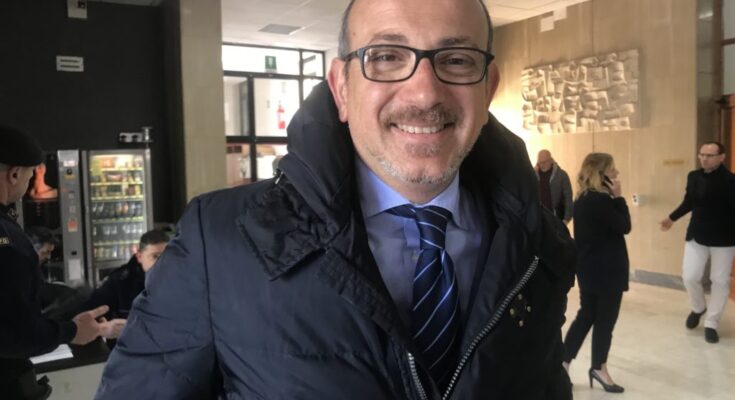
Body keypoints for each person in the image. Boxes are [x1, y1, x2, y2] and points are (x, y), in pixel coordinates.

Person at [96, 1, 575, 399]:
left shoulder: (539, 243)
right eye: (386, 56)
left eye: (456, 59)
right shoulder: (217, 241)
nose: (424, 92)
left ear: (488, 89)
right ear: (342, 88)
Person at [0, 125, 116, 399]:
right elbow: (17, 334)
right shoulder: (8, 241)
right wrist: (73, 330)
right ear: (14, 174)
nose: (30, 183)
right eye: (30, 176)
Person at [562, 153, 630, 394]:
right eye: (612, 170)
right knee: (604, 321)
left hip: (590, 268)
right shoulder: (602, 201)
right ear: (601, 174)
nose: (616, 173)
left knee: (586, 315)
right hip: (607, 270)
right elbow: (625, 226)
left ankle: (563, 364)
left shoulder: (583, 198)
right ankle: (599, 368)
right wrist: (619, 198)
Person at [660, 141, 735, 344]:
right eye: (701, 155)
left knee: (720, 280)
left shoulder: (731, 181)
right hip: (697, 234)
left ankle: (712, 323)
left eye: (709, 155)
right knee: (690, 276)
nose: (704, 159)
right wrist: (671, 218)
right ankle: (698, 307)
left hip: (724, 238)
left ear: (722, 157)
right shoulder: (693, 176)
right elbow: (689, 202)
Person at [81, 229, 169, 341]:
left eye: (167, 256)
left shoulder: (183, 280)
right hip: (129, 347)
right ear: (139, 256)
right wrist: (102, 328)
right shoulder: (120, 281)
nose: (163, 262)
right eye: (155, 256)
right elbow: (89, 316)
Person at [535, 149, 573, 223]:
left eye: (544, 162)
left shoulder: (561, 175)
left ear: (551, 160)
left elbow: (568, 198)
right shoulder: (533, 175)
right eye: (540, 162)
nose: (542, 165)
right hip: (539, 219)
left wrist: (566, 219)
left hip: (556, 218)